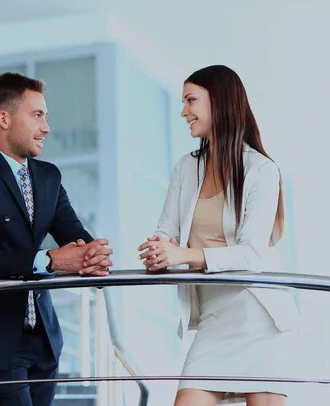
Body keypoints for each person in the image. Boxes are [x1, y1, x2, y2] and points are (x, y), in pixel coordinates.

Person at [0, 72, 113, 406]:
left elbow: (74, 234)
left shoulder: (48, 176)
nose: (46, 127)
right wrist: (51, 260)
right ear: (4, 118)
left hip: (45, 339)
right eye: (37, 115)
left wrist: (95, 253)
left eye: (45, 116)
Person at [137, 65, 301, 406]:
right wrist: (159, 249)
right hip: (212, 318)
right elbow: (166, 230)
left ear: (220, 102)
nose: (184, 111)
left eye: (191, 100)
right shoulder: (186, 166)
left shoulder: (261, 170)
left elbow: (252, 254)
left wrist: (183, 255)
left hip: (258, 314)